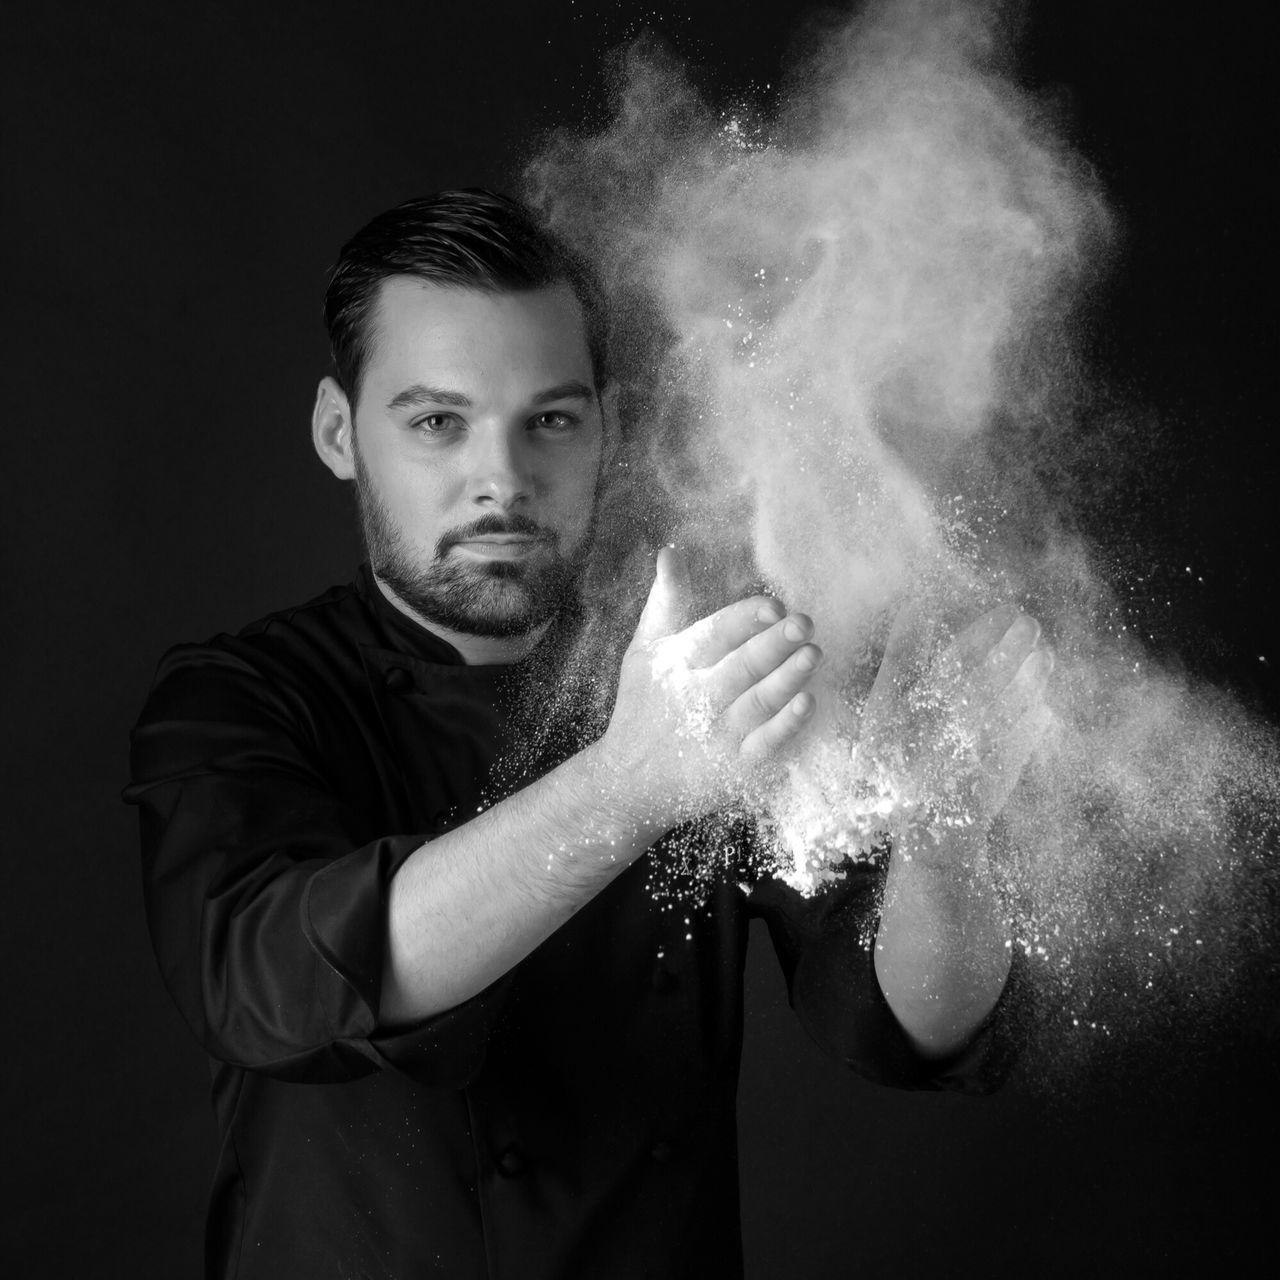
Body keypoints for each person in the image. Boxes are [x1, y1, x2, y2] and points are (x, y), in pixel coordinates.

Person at [126, 189, 1047, 1280]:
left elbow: (904, 1022)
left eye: (550, 419)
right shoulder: (239, 699)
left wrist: (944, 829)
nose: (501, 479)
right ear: (339, 431)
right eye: (435, 422)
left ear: (603, 423)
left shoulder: (703, 672)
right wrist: (626, 787)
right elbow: (268, 984)